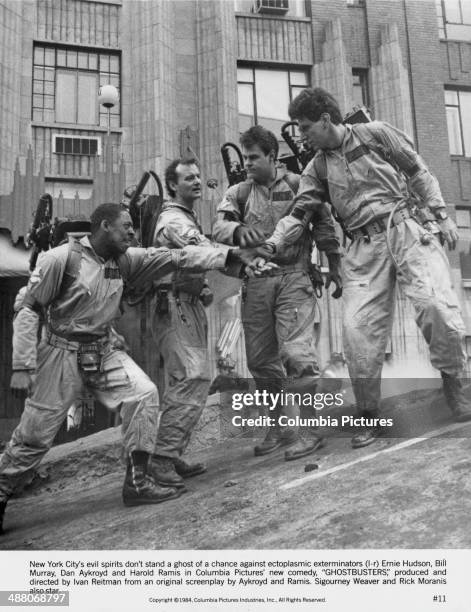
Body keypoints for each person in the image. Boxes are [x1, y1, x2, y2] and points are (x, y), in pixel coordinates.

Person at [0, 202, 256, 534]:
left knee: (144, 394)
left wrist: (228, 258)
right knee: (35, 435)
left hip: (102, 349)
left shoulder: (124, 260)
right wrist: (22, 364)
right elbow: (28, 309)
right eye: (126, 226)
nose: (133, 232)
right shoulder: (60, 259)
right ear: (105, 226)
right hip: (60, 352)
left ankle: (137, 482)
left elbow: (175, 258)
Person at [256, 87, 471, 448]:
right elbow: (298, 214)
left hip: (406, 228)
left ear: (326, 119)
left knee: (436, 307)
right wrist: (271, 244)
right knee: (357, 333)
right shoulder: (317, 168)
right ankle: (369, 414)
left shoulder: (376, 134)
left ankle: (456, 384)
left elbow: (418, 171)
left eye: (306, 127)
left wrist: (442, 215)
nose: (303, 135)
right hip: (361, 246)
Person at [213, 126, 342, 460]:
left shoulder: (299, 184)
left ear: (272, 156)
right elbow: (219, 228)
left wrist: (334, 263)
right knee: (259, 360)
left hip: (294, 276)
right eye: (246, 158)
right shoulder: (239, 192)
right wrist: (238, 229)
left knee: (297, 354)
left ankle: (310, 429)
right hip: (256, 282)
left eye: (255, 157)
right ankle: (280, 426)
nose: (249, 164)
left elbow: (323, 223)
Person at [148, 157, 265, 489]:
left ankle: (170, 453)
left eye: (199, 176)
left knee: (184, 380)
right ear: (173, 185)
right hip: (172, 305)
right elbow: (197, 250)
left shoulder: (186, 218)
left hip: (187, 303)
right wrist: (233, 257)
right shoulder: (172, 220)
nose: (197, 182)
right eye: (188, 178)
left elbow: (204, 253)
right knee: (193, 376)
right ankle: (161, 460)